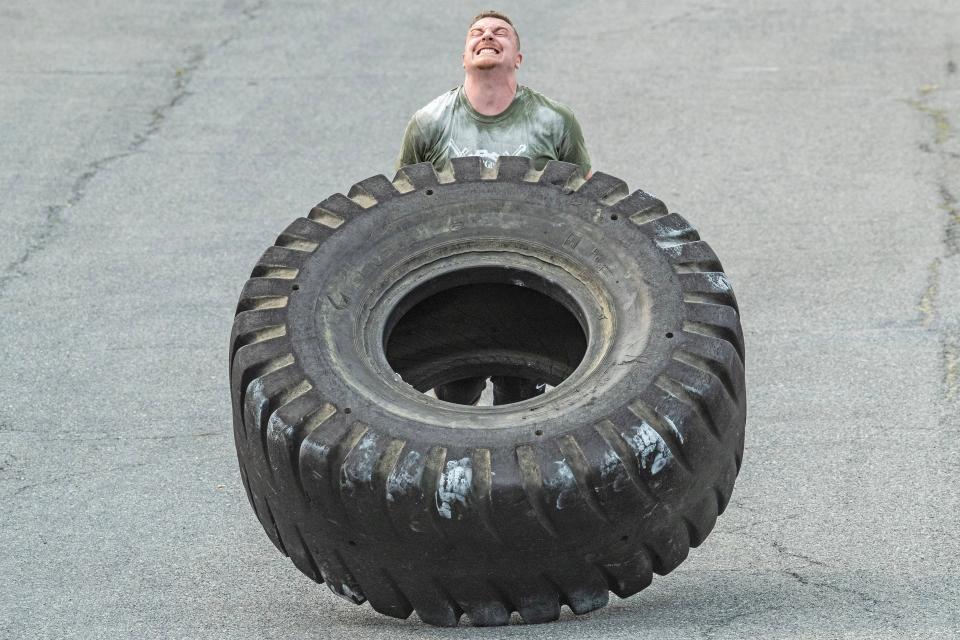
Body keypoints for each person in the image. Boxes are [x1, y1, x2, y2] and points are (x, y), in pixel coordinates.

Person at [397, 10, 592, 406]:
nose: (487, 36)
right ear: (465, 56)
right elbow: (405, 208)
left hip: (529, 282)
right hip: (454, 284)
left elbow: (585, 204)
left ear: (517, 57)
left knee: (519, 402)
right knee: (455, 401)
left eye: (500, 32)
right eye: (477, 33)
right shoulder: (429, 123)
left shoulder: (554, 121)